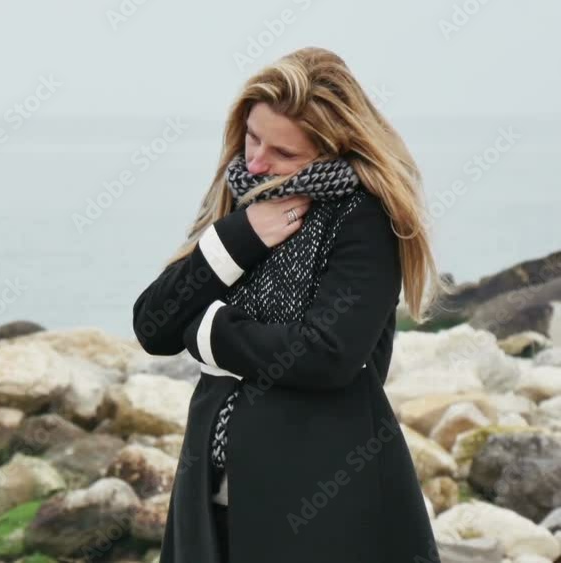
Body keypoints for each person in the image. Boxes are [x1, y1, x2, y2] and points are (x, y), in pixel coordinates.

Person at [131, 46, 452, 562]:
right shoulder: (239, 197)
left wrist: (210, 334)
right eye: (252, 137)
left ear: (332, 149)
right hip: (209, 496)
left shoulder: (365, 218)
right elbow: (154, 325)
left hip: (322, 494)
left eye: (283, 153)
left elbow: (326, 355)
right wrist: (238, 237)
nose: (257, 162)